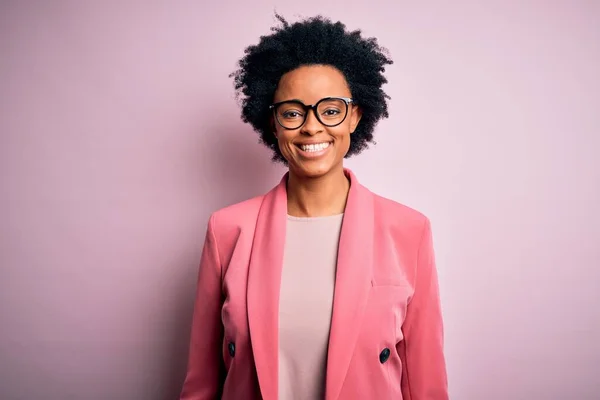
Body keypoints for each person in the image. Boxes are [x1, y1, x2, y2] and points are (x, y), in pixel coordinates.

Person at [180, 14, 448, 400]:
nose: (311, 127)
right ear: (273, 124)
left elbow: (426, 385)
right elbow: (201, 383)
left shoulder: (408, 230)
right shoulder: (227, 230)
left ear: (354, 116)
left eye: (331, 109)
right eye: (292, 112)